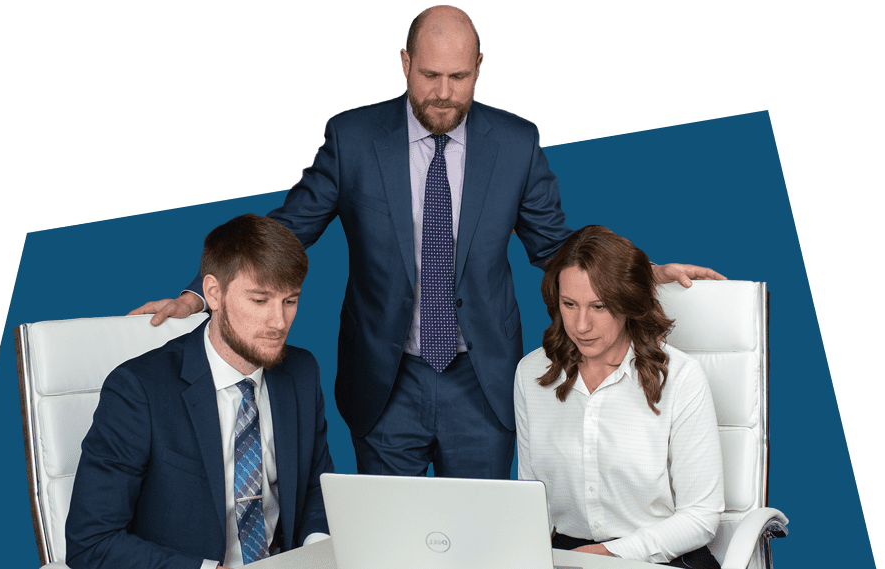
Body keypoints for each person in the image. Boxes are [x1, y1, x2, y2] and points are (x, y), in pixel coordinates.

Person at [131, 5, 724, 479]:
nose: (443, 92)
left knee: (481, 546)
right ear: (405, 62)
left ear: (480, 67)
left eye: (459, 77)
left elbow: (556, 247)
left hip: (481, 381)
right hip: (386, 381)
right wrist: (197, 294)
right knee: (390, 546)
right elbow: (287, 230)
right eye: (430, 75)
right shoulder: (353, 137)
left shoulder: (515, 143)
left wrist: (642, 272)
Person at [67, 214, 334, 569]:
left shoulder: (301, 372)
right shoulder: (139, 390)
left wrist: (320, 552)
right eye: (259, 300)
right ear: (214, 293)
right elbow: (91, 542)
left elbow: (316, 489)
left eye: (290, 301)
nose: (279, 322)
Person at [514, 225, 724, 568]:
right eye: (569, 304)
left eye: (599, 307)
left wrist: (607, 555)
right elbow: (531, 499)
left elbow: (700, 516)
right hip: (567, 555)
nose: (581, 325)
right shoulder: (531, 374)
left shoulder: (681, 378)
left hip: (662, 555)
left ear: (628, 303)